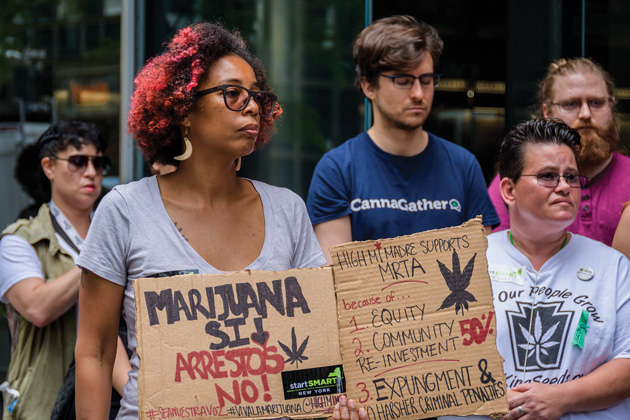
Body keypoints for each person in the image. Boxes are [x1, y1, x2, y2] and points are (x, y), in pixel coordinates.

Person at [74, 22, 328, 419]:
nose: (253, 107)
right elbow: (96, 351)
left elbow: (317, 343)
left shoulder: (288, 209)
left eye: (258, 97)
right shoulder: (124, 210)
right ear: (184, 109)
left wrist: (331, 403)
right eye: (232, 94)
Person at [442, 119, 630, 420]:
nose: (564, 187)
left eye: (571, 177)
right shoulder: (464, 263)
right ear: (509, 191)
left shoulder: (613, 267)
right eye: (547, 176)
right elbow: (430, 359)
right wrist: (486, 397)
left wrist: (561, 399)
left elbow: (628, 362)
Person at [307, 15, 499, 264]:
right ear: (368, 86)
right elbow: (337, 280)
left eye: (427, 80)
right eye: (403, 81)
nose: (419, 94)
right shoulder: (337, 169)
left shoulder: (463, 165)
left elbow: (483, 269)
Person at [0, 121, 130, 419]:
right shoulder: (20, 239)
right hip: (45, 401)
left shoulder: (123, 231)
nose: (91, 172)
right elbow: (38, 308)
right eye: (78, 161)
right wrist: (100, 255)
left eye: (99, 163)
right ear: (48, 167)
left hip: (115, 400)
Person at [487, 57, 630, 247]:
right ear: (547, 112)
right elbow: (499, 260)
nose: (586, 114)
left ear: (611, 107)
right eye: (571, 104)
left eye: (596, 103)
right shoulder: (517, 182)